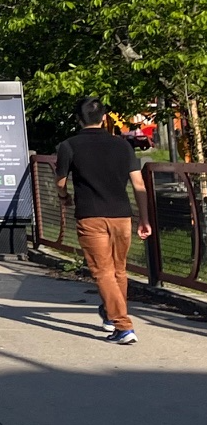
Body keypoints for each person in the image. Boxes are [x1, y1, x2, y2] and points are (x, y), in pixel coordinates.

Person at [56, 96, 152, 345]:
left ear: (78, 119)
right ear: (105, 118)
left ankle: (123, 326)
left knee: (103, 272)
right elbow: (138, 184)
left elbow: (60, 180)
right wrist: (144, 218)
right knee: (118, 270)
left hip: (90, 215)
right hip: (121, 215)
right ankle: (111, 316)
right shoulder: (123, 146)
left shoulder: (69, 146)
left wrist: (64, 197)